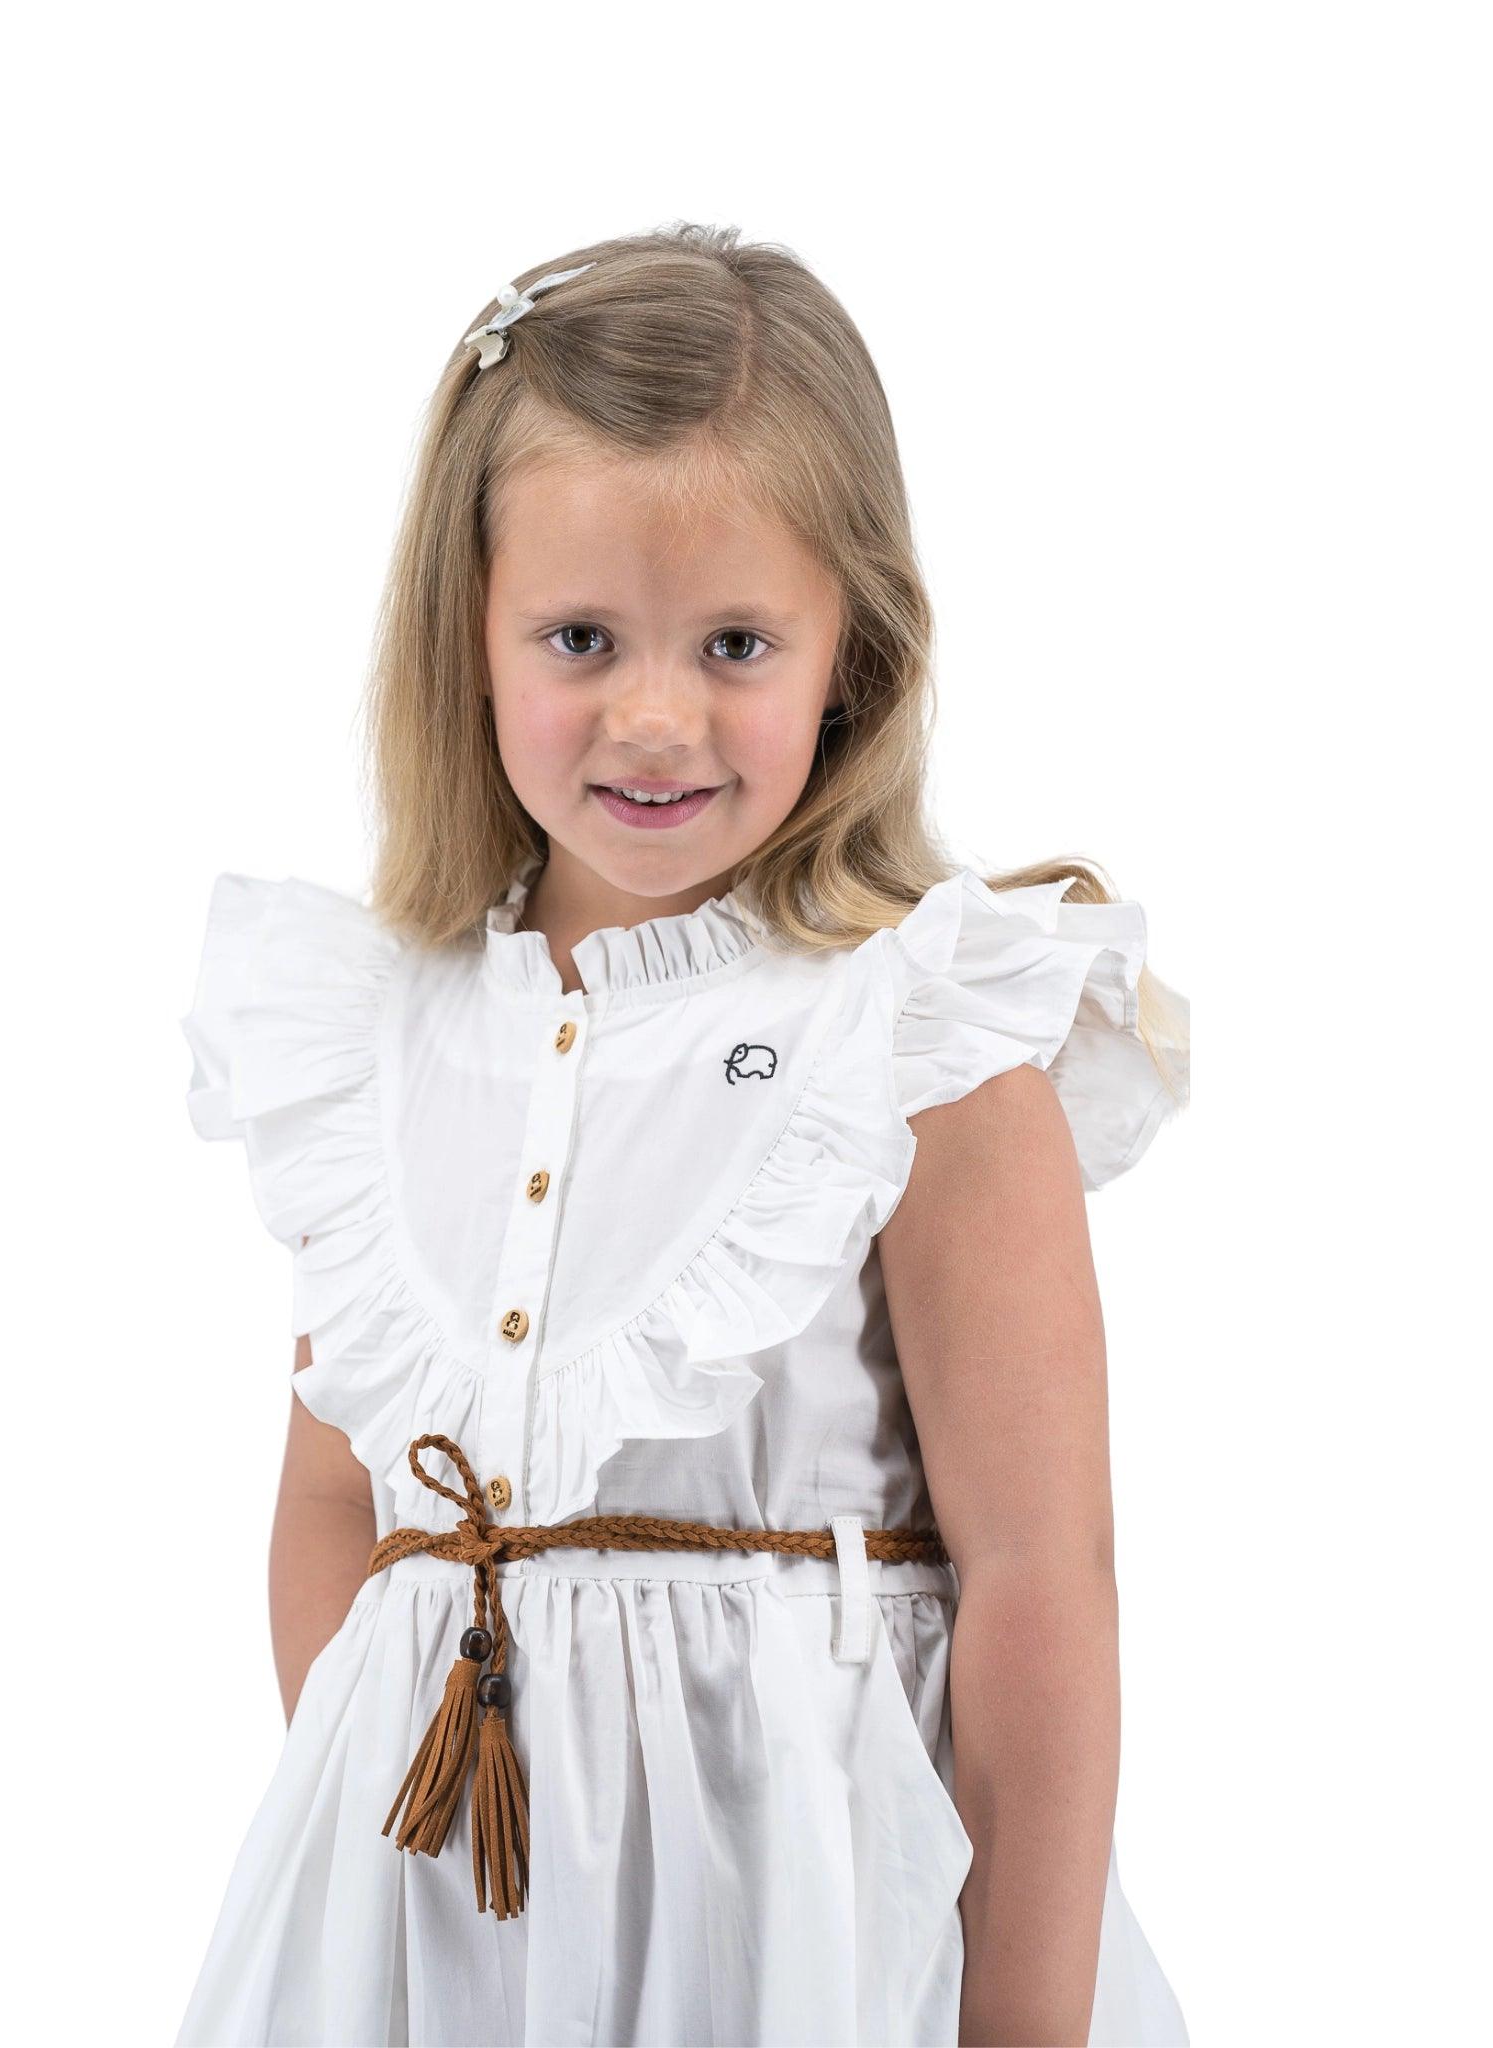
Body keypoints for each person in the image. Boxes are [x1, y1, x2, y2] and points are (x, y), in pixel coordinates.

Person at [174, 222, 1191, 2048]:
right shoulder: (381, 1040)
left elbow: (1046, 1583)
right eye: (581, 639)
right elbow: (342, 1493)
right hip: (447, 1940)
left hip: (796, 1929)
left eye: (735, 643)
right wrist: (373, 1882)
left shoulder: (919, 1039)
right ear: (467, 643)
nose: (656, 716)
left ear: (851, 656)